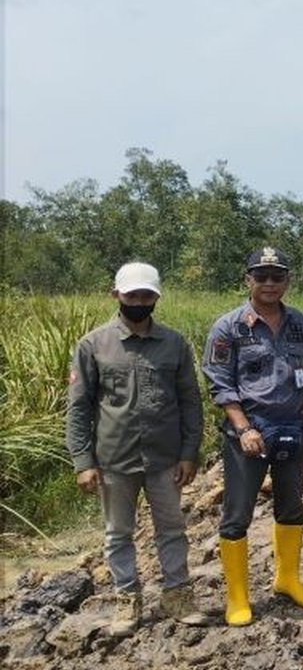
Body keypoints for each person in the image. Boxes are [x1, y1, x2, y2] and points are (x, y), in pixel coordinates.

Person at [65, 262, 212, 636]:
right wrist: (84, 461)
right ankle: (126, 599)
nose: (139, 302)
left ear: (156, 298)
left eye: (147, 296)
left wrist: (188, 452)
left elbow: (189, 401)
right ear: (117, 295)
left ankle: (177, 594)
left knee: (172, 528)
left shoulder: (174, 343)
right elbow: (79, 407)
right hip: (114, 458)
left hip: (165, 458)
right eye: (132, 295)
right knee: (118, 533)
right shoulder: (93, 344)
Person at [202, 247, 303, 626]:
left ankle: (287, 578)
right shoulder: (229, 327)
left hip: (293, 428)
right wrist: (243, 427)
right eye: (262, 276)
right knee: (237, 515)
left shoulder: (299, 323)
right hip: (250, 432)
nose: (269, 283)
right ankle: (238, 598)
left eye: (277, 276)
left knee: (291, 507)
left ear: (287, 281)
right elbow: (219, 381)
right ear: (248, 280)